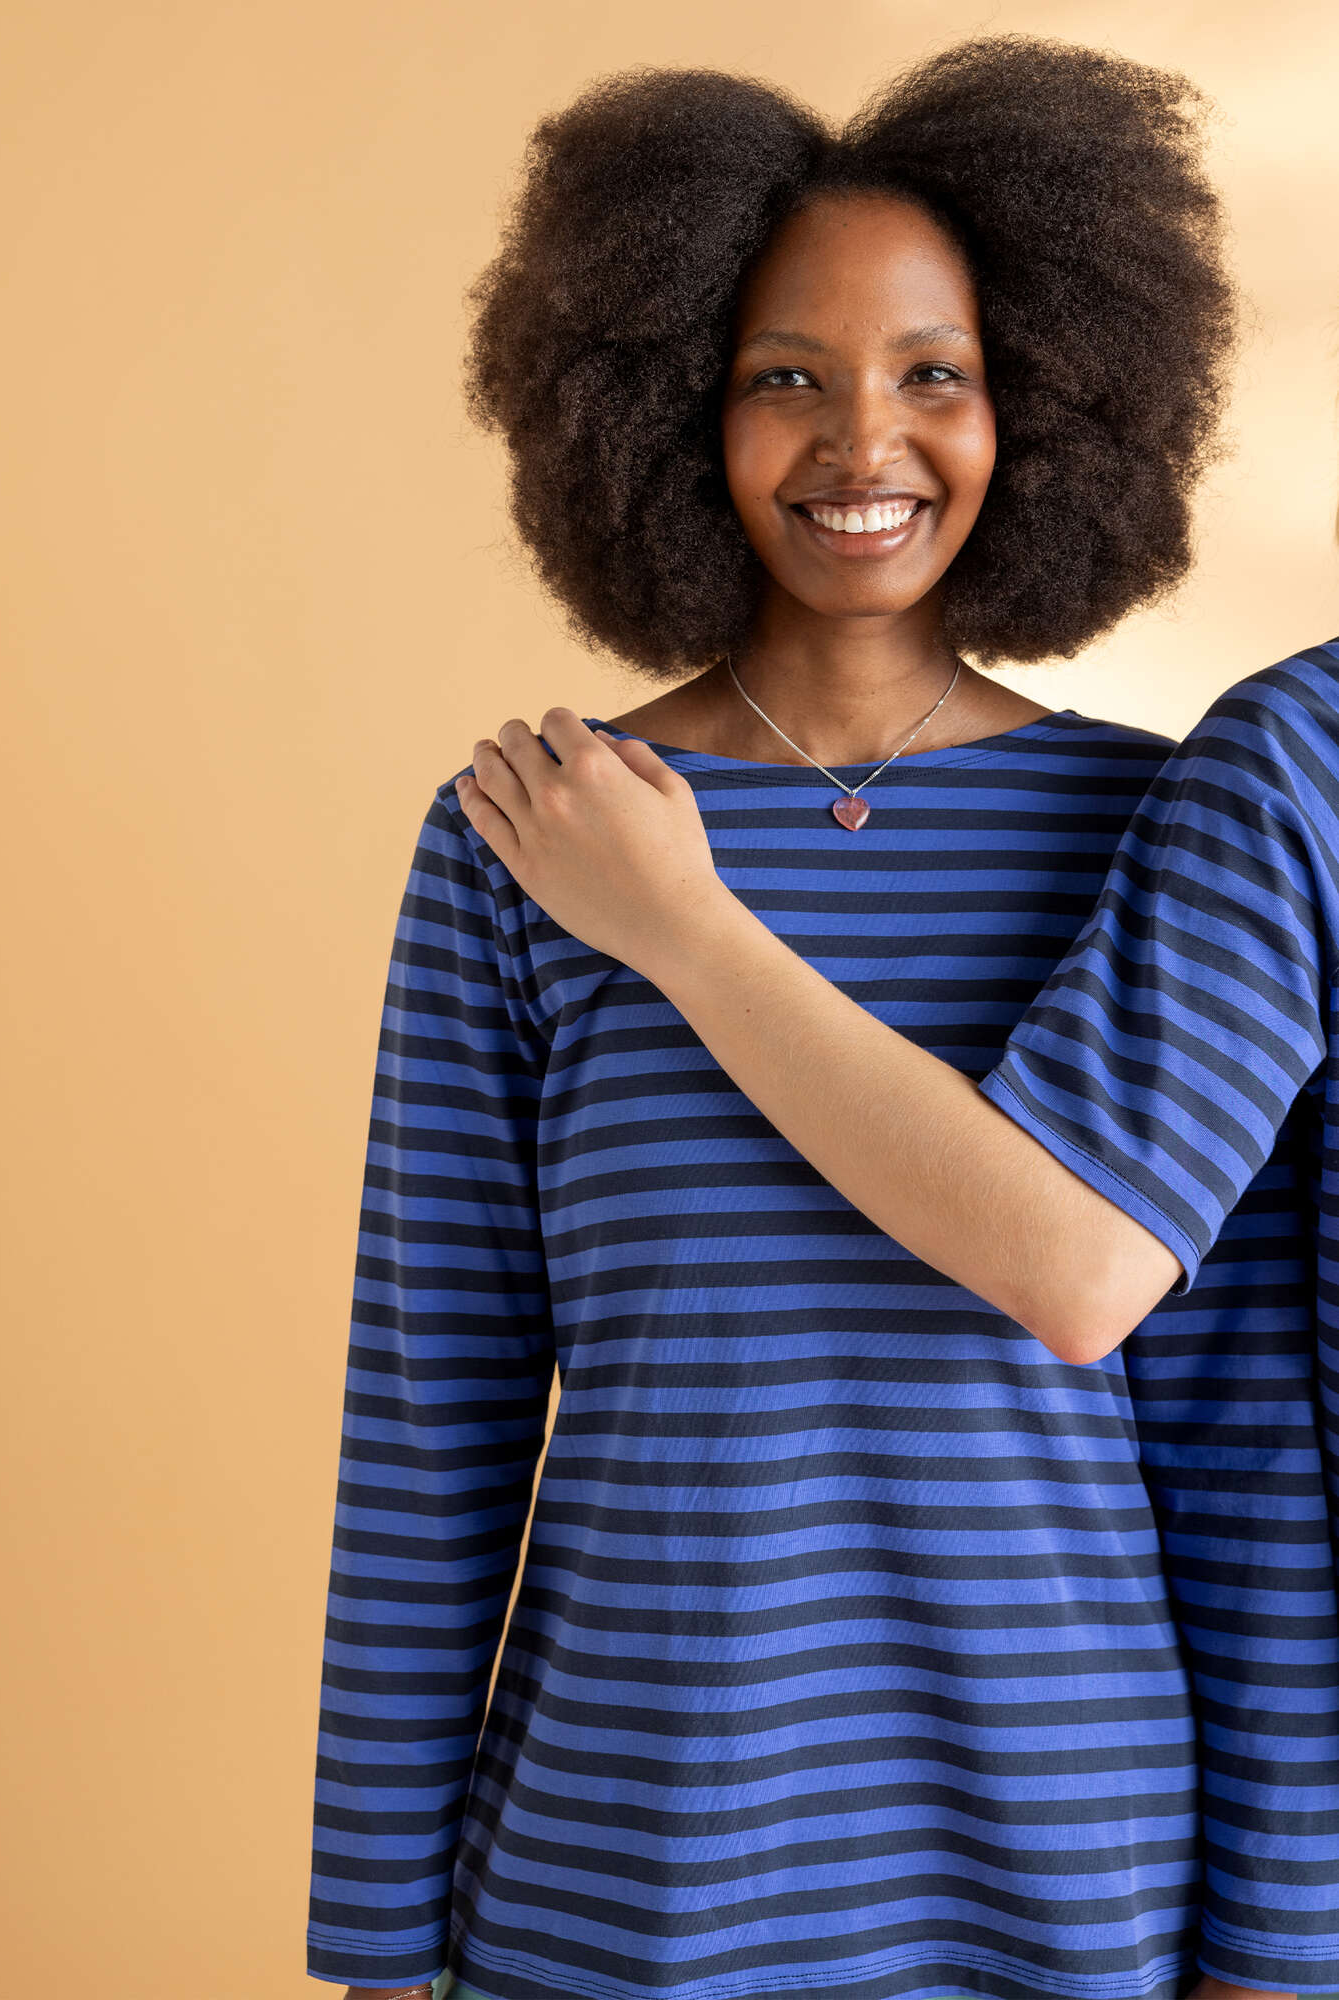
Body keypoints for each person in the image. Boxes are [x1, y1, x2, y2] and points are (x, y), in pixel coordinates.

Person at [308, 35, 1331, 2000]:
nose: (866, 441)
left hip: (1069, 1878)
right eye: (785, 376)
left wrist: (1277, 1945)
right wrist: (374, 1940)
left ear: (1047, 402)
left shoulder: (1168, 830)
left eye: (935, 373)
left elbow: (1239, 1449)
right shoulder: (529, 837)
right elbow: (432, 1424)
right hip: (621, 1876)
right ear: (662, 410)